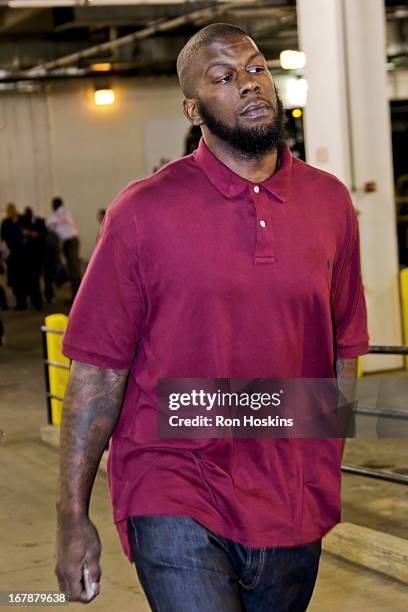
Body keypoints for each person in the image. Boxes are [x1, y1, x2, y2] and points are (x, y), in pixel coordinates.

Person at [55, 24, 369, 610]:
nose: (249, 85)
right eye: (224, 78)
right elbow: (97, 372)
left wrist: (321, 462)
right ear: (193, 109)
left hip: (289, 493)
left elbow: (344, 347)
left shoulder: (329, 203)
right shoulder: (142, 212)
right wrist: (72, 516)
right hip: (172, 480)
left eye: (256, 69)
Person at [46, 197, 81, 301]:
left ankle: (78, 298)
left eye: (53, 204)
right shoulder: (58, 214)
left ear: (57, 204)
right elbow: (50, 224)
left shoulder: (63, 212)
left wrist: (53, 222)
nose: (52, 206)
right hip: (67, 243)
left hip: (71, 242)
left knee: (74, 271)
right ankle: (76, 297)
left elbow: (49, 222)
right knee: (71, 271)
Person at [1, 203, 27, 310]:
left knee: (16, 280)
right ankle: (22, 301)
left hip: (13, 255)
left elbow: (2, 238)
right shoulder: (19, 220)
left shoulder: (7, 222)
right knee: (20, 279)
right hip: (19, 254)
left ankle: (21, 302)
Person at [20, 207, 46, 310]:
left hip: (35, 257)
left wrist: (28, 233)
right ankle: (35, 301)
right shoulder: (27, 222)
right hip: (30, 257)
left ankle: (37, 301)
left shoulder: (38, 222)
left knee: (34, 280)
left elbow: (39, 235)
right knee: (32, 280)